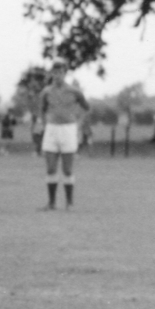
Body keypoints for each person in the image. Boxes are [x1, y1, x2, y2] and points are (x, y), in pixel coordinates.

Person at [39, 61, 89, 210]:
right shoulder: (46, 91)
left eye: (60, 72)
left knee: (67, 169)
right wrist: (44, 124)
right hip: (52, 130)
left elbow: (86, 108)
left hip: (68, 129)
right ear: (51, 74)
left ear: (65, 73)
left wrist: (79, 123)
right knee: (51, 168)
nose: (57, 75)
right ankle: (51, 203)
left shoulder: (74, 91)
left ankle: (69, 203)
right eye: (54, 72)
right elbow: (42, 110)